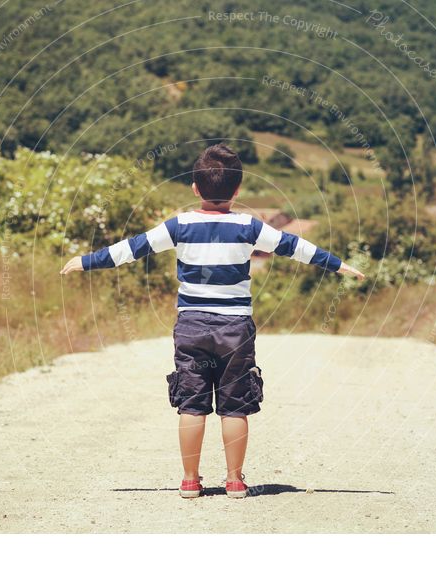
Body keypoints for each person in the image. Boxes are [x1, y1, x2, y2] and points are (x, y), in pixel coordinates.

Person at [60, 144, 364, 499]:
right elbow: (295, 246)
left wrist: (85, 261)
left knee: (192, 403)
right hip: (235, 328)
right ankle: (234, 480)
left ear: (194, 187)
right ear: (237, 191)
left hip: (191, 325)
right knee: (234, 404)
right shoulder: (249, 227)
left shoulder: (179, 226)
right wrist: (338, 264)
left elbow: (130, 249)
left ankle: (190, 480)